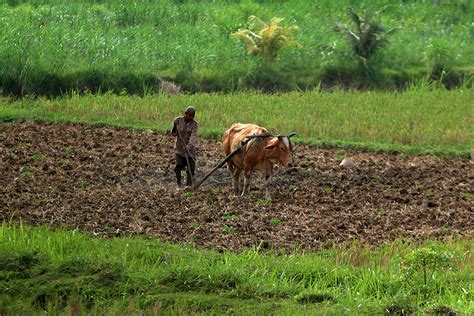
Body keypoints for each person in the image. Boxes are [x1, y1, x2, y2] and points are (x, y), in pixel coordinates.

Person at [171, 106, 198, 187]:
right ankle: (179, 184)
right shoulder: (178, 120)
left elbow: (193, 137)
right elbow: (173, 134)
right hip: (179, 149)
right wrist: (175, 126)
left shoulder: (194, 124)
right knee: (178, 166)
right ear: (185, 114)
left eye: (193, 116)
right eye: (189, 115)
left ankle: (188, 186)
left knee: (191, 170)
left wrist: (188, 147)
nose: (191, 117)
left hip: (190, 151)